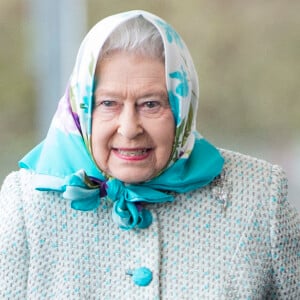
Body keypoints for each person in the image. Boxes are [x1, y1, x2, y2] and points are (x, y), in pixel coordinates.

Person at [0, 10, 299, 299]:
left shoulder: (259, 196)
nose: (129, 129)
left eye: (151, 104)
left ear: (182, 108)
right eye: (108, 103)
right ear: (82, 109)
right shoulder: (27, 205)